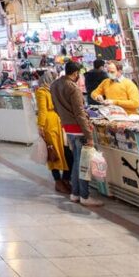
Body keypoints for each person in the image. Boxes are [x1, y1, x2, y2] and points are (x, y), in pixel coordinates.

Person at [50, 61, 102, 207]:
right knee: (83, 163)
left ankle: (75, 194)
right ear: (75, 73)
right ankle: (84, 195)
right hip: (79, 129)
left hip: (68, 128)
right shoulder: (73, 88)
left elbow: (55, 108)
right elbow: (79, 113)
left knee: (76, 162)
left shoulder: (54, 85)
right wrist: (89, 135)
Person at [35, 68, 71, 194]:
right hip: (58, 120)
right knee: (59, 151)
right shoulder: (55, 90)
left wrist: (40, 125)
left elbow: (42, 110)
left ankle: (60, 181)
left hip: (50, 123)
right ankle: (63, 180)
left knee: (53, 152)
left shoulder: (41, 91)